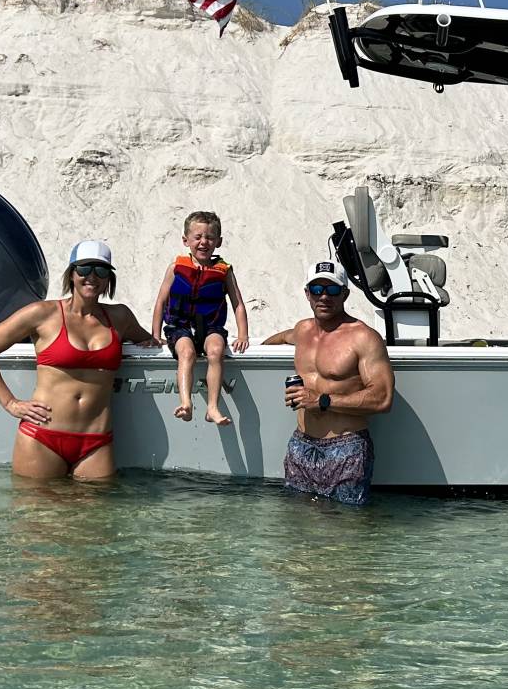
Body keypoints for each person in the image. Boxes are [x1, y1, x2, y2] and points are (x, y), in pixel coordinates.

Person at [0, 240, 159, 481]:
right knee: (39, 518)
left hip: (96, 441)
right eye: (84, 269)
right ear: (71, 274)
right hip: (42, 436)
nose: (92, 276)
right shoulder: (42, 313)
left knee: (99, 518)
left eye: (101, 270)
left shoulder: (120, 317)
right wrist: (10, 403)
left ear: (108, 279)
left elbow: (150, 342)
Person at [263, 261, 394, 507]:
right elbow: (281, 338)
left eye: (333, 290)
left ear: (345, 293)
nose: (324, 297)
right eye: (316, 290)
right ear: (307, 294)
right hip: (301, 445)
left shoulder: (363, 337)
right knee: (296, 528)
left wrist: (323, 400)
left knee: (345, 535)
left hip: (346, 449)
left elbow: (383, 397)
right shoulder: (302, 331)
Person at [151, 211, 250, 426]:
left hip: (211, 326)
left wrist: (243, 334)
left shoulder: (224, 271)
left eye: (210, 238)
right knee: (187, 352)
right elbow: (160, 302)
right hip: (180, 326)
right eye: (198, 237)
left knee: (216, 350)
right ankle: (186, 403)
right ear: (186, 240)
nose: (204, 242)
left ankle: (212, 407)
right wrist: (155, 335)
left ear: (219, 242)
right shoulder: (176, 268)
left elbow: (238, 304)